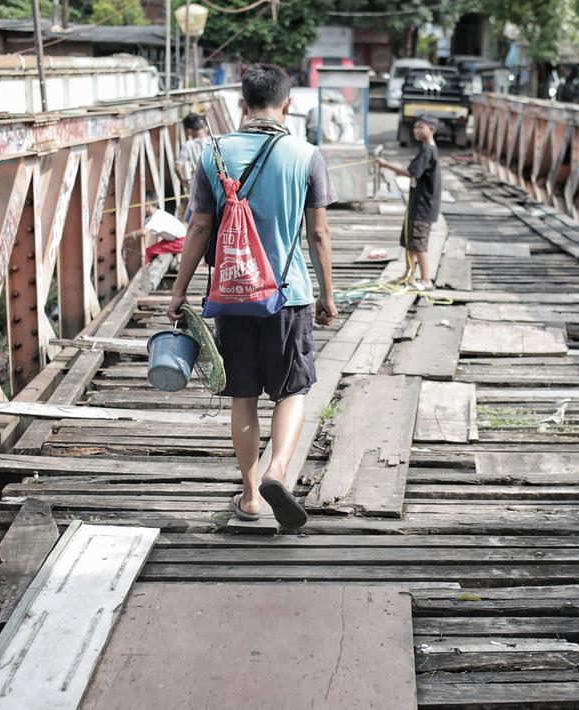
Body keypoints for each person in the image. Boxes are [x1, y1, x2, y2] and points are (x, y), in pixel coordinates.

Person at [167, 64, 337, 529]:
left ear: (242, 105)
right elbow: (318, 234)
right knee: (293, 390)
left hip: (231, 295)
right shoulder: (306, 155)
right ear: (288, 105)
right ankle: (277, 470)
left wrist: (179, 292)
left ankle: (250, 497)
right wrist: (327, 295)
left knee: (243, 395)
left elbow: (199, 227)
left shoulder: (212, 153)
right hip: (289, 295)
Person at [377, 114, 441, 290]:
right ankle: (409, 276)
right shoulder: (426, 149)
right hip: (417, 205)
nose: (416, 130)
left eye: (421, 127)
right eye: (415, 127)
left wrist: (386, 165)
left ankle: (426, 279)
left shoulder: (428, 151)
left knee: (418, 242)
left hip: (422, 206)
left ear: (431, 130)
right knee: (409, 241)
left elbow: (410, 173)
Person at [175, 113, 208, 218]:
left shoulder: (188, 145)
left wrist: (183, 181)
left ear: (188, 130)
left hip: (197, 181)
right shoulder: (213, 140)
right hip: (215, 178)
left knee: (195, 213)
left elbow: (178, 167)